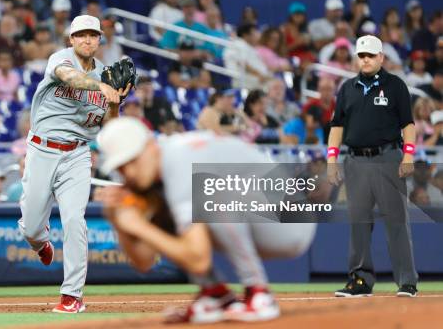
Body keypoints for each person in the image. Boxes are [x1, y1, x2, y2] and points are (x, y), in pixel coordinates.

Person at [95, 117, 316, 323]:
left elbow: (198, 259)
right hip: (262, 214)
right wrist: (119, 221)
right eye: (121, 167)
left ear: (150, 146)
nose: (129, 172)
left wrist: (139, 225)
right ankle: (214, 294)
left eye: (132, 160)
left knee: (213, 193)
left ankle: (258, 293)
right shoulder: (156, 174)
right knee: (170, 216)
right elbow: (144, 261)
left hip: (292, 219)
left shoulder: (178, 160)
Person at [18, 14, 128, 313]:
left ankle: (72, 296)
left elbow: (108, 128)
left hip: (78, 155)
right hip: (42, 149)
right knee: (29, 226)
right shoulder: (60, 58)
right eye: (81, 35)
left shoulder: (107, 74)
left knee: (74, 220)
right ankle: (40, 243)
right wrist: (101, 86)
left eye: (93, 35)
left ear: (99, 40)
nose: (87, 39)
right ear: (72, 39)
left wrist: (115, 104)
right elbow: (70, 78)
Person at [327, 34, 419, 298]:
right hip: (355, 160)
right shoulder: (347, 88)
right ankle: (360, 281)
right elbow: (337, 126)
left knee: (397, 221)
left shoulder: (395, 86)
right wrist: (331, 159)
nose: (365, 60)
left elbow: (408, 124)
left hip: (388, 157)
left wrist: (408, 155)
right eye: (361, 56)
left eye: (370, 55)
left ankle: (407, 281)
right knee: (358, 222)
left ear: (381, 57)